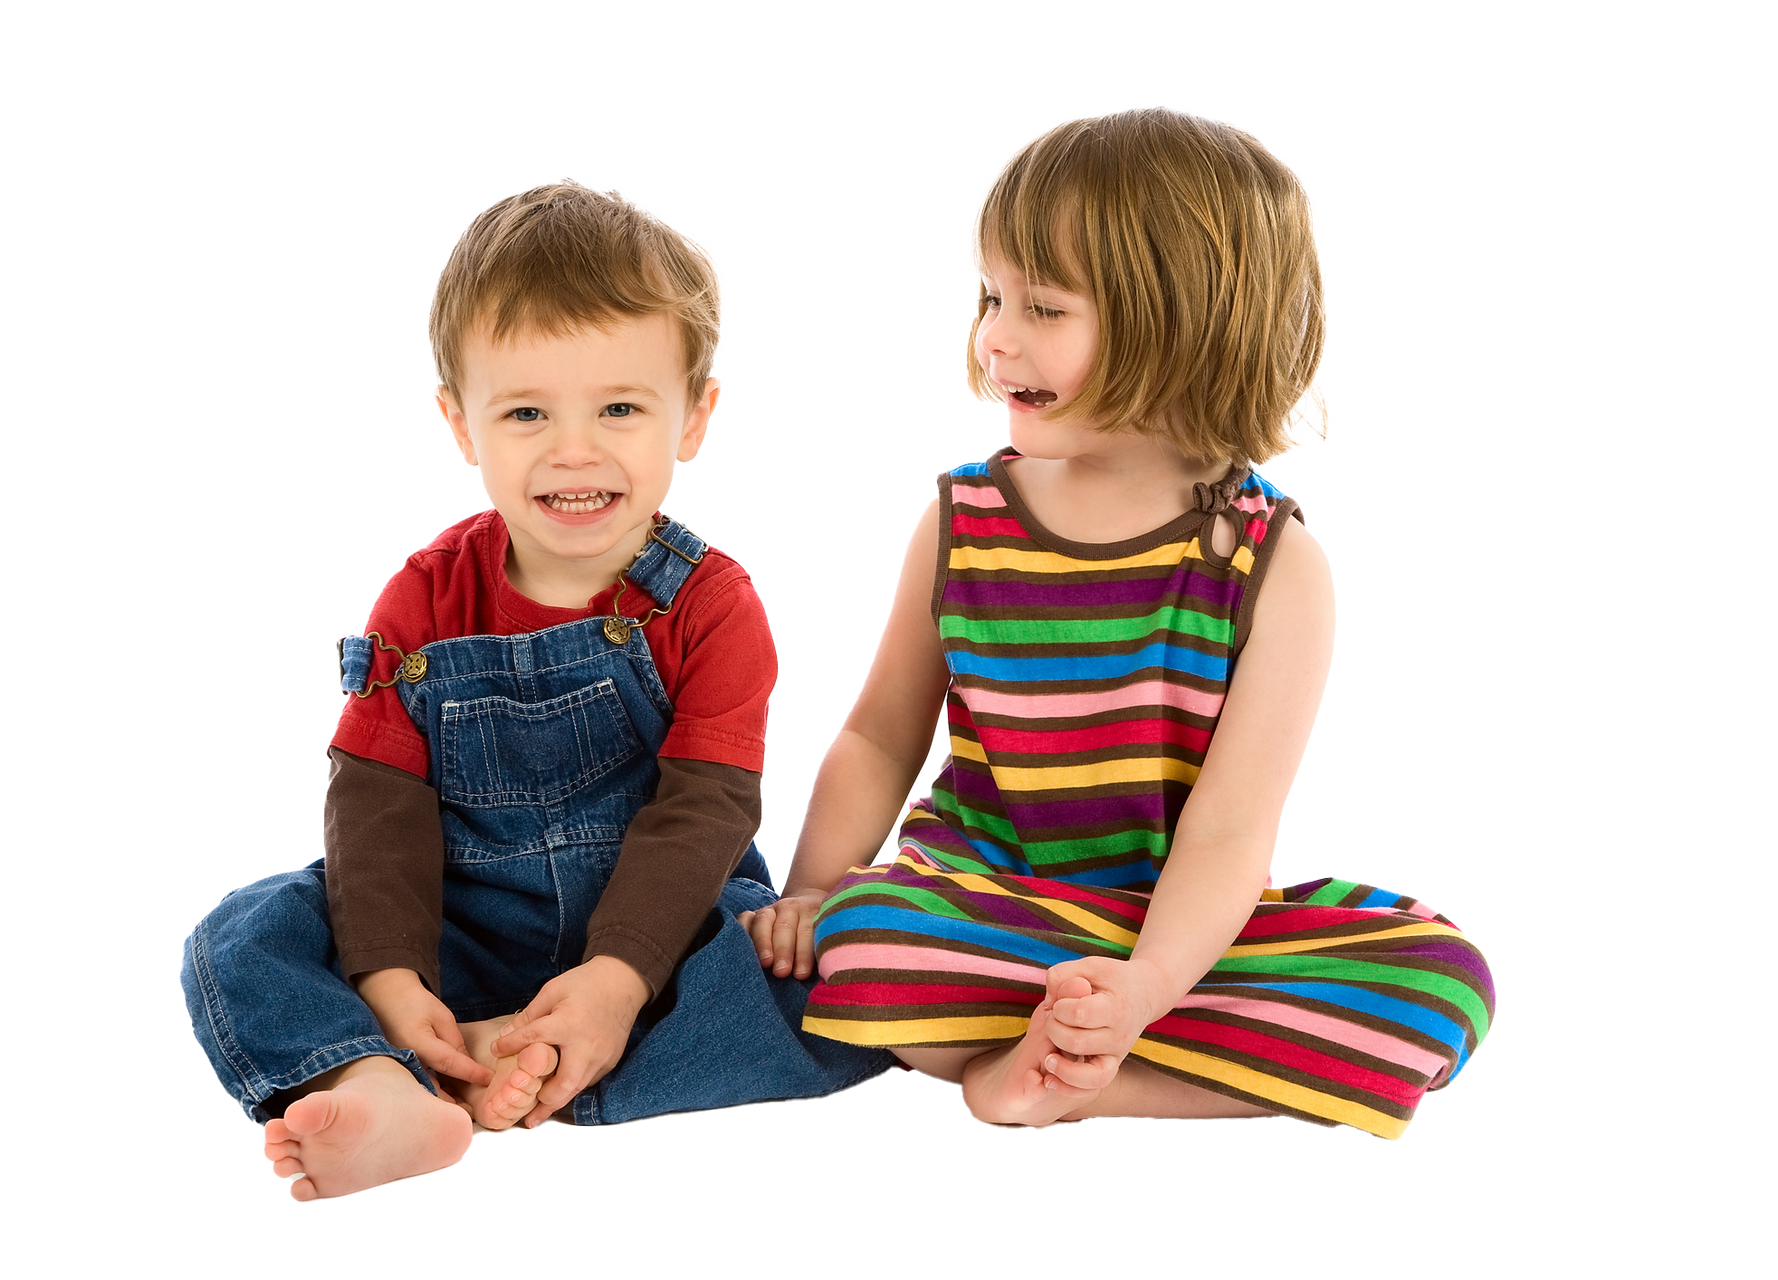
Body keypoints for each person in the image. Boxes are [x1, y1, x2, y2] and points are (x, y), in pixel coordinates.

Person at [740, 102, 1498, 1141]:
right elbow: (880, 734)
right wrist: (814, 887)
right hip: (983, 902)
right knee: (869, 939)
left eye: (1043, 308)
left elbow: (1233, 834)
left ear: (1187, 327)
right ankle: (1133, 1052)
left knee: (1442, 977)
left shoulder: (1277, 568)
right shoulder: (959, 521)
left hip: (1179, 928)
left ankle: (1073, 1077)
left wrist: (1143, 984)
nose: (994, 336)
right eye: (988, 296)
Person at [178, 175, 888, 1204]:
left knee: (846, 973)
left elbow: (707, 807)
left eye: (619, 407)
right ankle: (385, 1073)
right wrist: (390, 977)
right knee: (242, 930)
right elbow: (376, 803)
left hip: (666, 934)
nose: (574, 449)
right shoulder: (424, 590)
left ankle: (521, 1071)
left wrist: (614, 981)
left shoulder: (712, 601)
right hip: (457, 919)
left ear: (696, 412)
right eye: (525, 410)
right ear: (458, 420)